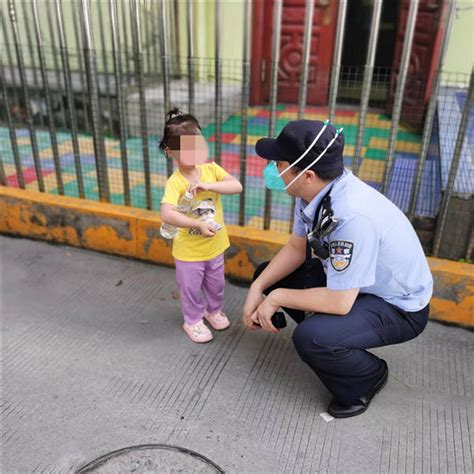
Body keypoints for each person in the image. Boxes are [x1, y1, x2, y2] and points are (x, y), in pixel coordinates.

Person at [243, 119, 433, 418]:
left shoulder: (352, 215)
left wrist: (277, 298)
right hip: (359, 287)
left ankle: (366, 378)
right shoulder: (314, 192)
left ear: (306, 174)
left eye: (278, 163)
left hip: (399, 308)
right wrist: (258, 289)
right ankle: (333, 338)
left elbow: (340, 302)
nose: (272, 169)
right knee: (267, 275)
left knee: (312, 337)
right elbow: (296, 247)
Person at [160, 109, 243, 343]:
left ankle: (213, 310)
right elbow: (166, 213)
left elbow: (236, 186)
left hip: (215, 245)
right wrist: (194, 223)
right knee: (190, 288)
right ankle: (193, 320)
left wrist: (209, 186)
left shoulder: (211, 170)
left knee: (216, 284)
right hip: (189, 252)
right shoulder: (175, 182)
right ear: (170, 152)